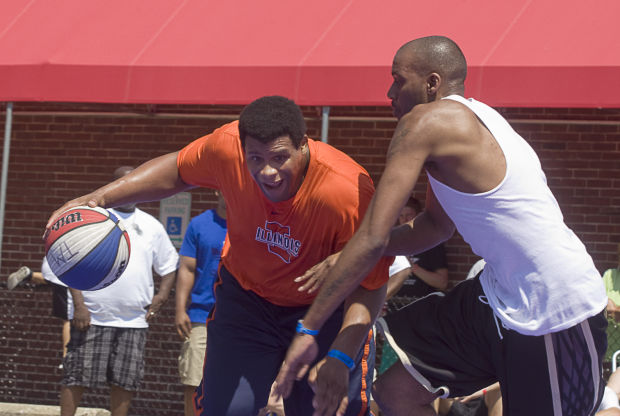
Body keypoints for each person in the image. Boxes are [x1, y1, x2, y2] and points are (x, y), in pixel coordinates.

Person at [276, 35, 607, 416]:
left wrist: (309, 329)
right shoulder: (467, 121)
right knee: (397, 392)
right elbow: (433, 227)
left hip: (552, 304)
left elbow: (373, 234)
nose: (389, 92)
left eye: (398, 80)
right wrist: (356, 252)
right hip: (498, 297)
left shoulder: (424, 123)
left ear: (432, 84)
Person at [45, 96, 392, 416]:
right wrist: (99, 199)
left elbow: (371, 283)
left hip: (324, 312)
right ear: (242, 150)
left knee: (325, 409)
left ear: (304, 144)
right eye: (256, 158)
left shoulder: (346, 190)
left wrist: (341, 353)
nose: (268, 172)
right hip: (248, 303)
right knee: (227, 410)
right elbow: (177, 170)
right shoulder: (227, 148)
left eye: (280, 157)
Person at [58, 166, 179, 416]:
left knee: (125, 381)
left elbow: (169, 265)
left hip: (133, 320)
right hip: (92, 317)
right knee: (76, 376)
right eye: (123, 183)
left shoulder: (151, 226)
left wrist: (162, 295)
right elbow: (69, 264)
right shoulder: (93, 219)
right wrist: (79, 305)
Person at [175, 191, 227, 416]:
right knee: (194, 381)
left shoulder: (253, 222)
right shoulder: (199, 224)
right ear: (217, 190)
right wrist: (179, 309)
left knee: (235, 382)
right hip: (201, 316)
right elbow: (186, 268)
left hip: (241, 320)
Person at [386, 196, 448, 312]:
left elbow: (442, 283)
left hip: (423, 307)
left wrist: (411, 267)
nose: (404, 220)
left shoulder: (431, 243)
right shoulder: (392, 244)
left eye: (408, 215)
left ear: (418, 216)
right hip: (393, 307)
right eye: (401, 216)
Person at [7, 261, 71, 360]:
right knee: (69, 318)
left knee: (52, 279)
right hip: (64, 274)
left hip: (54, 266)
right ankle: (67, 357)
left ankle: (30, 275)